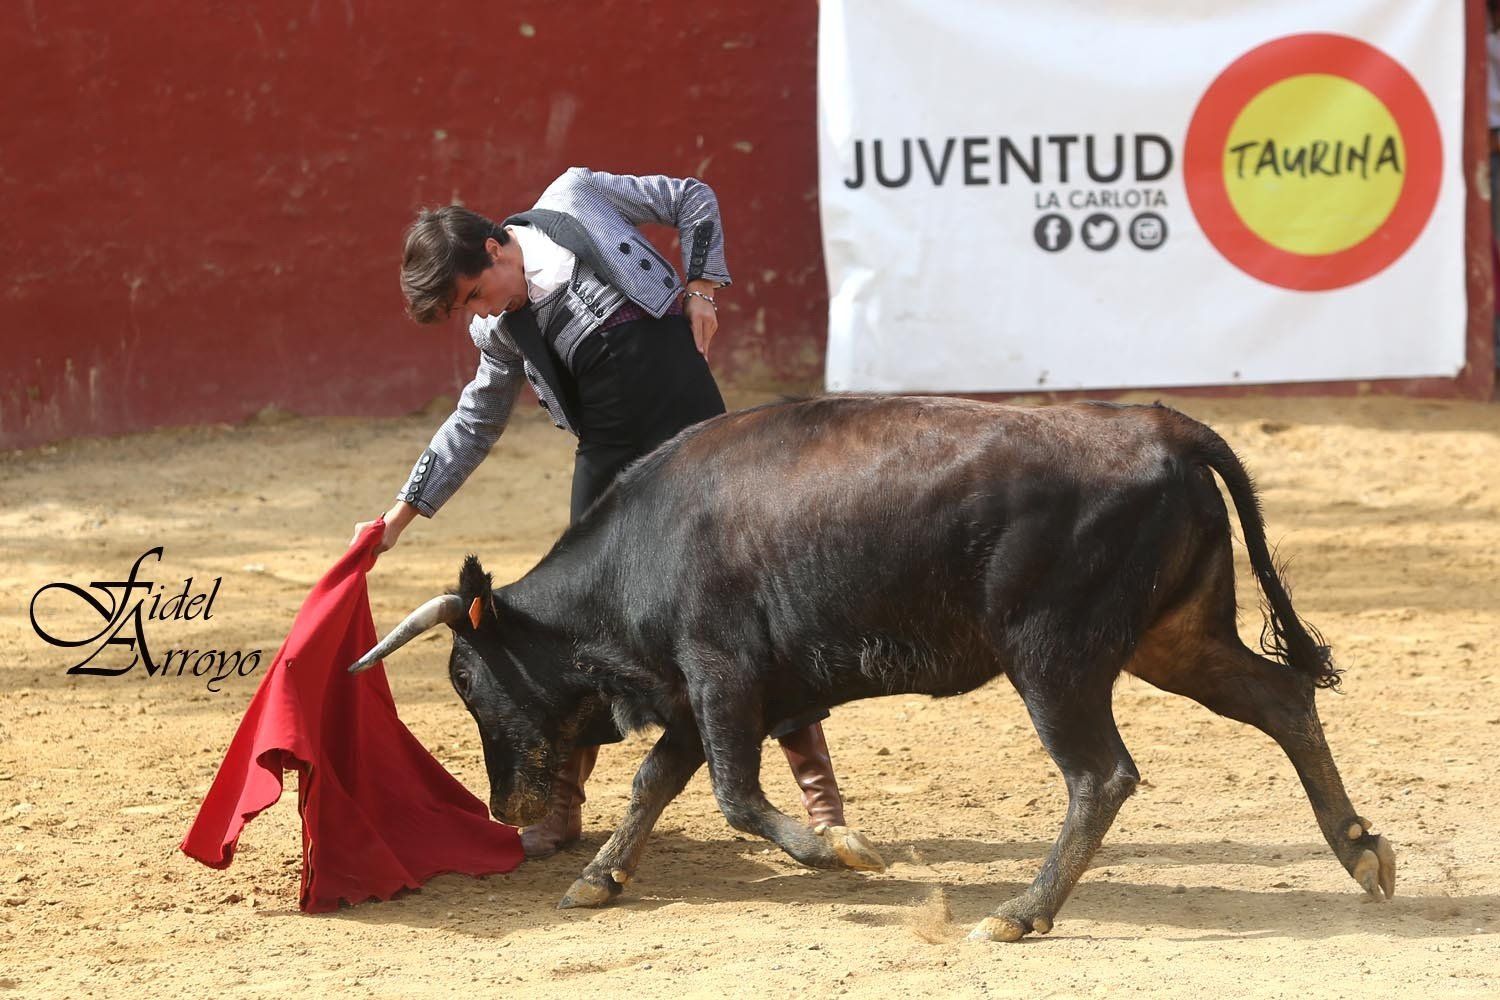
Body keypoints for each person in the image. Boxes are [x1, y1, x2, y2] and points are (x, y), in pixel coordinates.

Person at [351, 167, 850, 858]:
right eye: (467, 309)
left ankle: (823, 804)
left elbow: (693, 198)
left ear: (495, 248)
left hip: (698, 436)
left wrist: (702, 288)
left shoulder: (575, 197)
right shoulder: (499, 331)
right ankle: (562, 808)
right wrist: (397, 519)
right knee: (578, 621)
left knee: (745, 600)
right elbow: (474, 422)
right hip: (610, 455)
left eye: (474, 294)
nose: (480, 313)